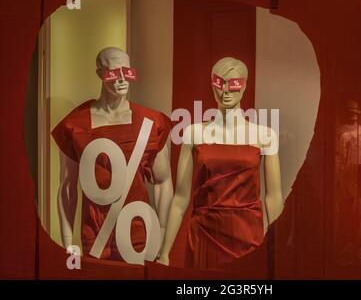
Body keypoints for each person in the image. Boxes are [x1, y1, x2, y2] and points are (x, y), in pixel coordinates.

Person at [157, 57, 284, 269]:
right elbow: (181, 197)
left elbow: (274, 196)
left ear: (244, 87)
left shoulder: (265, 135)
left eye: (233, 86)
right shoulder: (194, 133)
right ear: (212, 84)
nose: (226, 92)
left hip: (247, 235)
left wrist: (276, 251)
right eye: (220, 84)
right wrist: (164, 253)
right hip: (204, 233)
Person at [52, 47, 173, 263]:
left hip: (138, 232)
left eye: (127, 71)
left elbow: (162, 182)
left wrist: (162, 243)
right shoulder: (75, 124)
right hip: (95, 235)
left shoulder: (151, 122)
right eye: (113, 72)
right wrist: (68, 242)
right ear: (100, 73)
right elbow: (67, 187)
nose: (122, 79)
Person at [335, 100, 361, 262]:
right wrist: (339, 176)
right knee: (348, 207)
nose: (353, 116)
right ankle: (349, 240)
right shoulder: (341, 131)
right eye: (350, 113)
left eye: (355, 113)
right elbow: (339, 155)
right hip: (349, 171)